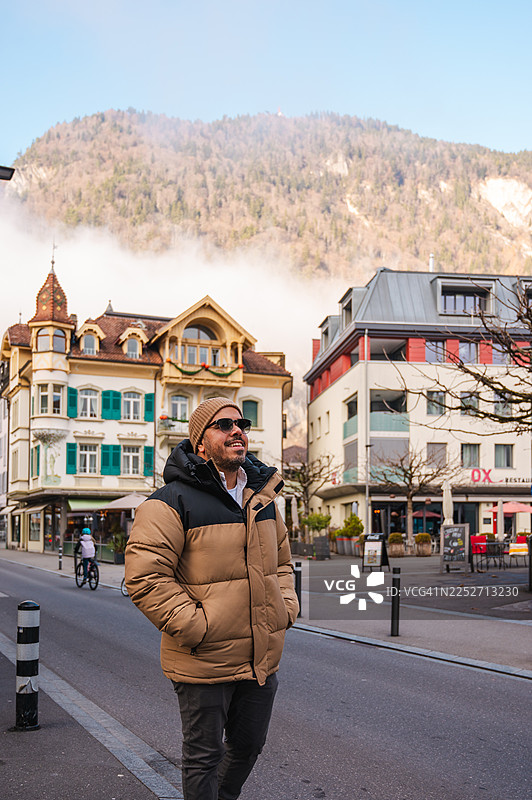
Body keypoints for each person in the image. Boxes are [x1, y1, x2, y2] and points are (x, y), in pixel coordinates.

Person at [125, 397, 298, 800]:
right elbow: (146, 578)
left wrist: (285, 608)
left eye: (241, 423)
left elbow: (284, 565)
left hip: (260, 656)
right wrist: (198, 626)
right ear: (200, 444)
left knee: (249, 746)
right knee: (204, 755)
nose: (237, 430)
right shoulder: (171, 501)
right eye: (223, 425)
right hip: (203, 657)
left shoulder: (263, 499)